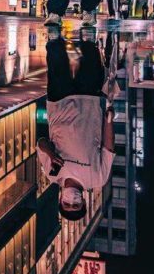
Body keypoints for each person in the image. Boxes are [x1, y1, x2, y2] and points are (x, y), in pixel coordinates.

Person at [37, 33, 115, 221]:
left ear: (60, 200)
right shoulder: (98, 178)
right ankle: (88, 33)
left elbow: (41, 143)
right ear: (84, 202)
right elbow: (108, 148)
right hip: (90, 103)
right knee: (90, 60)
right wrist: (109, 120)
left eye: (67, 204)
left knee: (57, 61)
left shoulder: (52, 174)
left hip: (59, 103)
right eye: (76, 204)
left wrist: (51, 154)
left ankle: (54, 32)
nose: (72, 201)